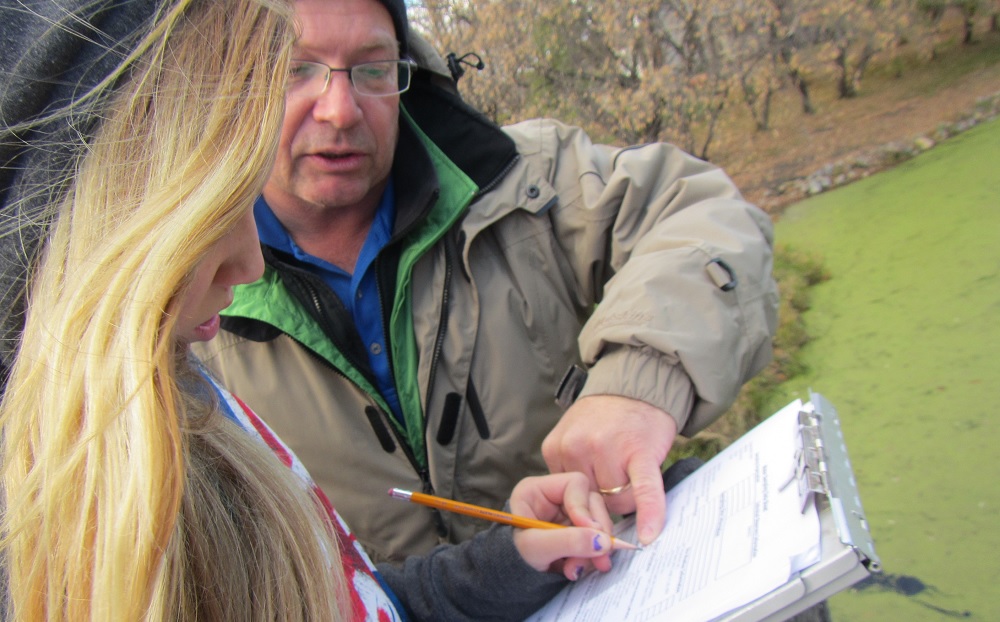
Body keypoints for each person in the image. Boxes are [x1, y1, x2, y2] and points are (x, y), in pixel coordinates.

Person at [0, 0, 626, 619]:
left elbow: (343, 602)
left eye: (373, 68)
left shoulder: (194, 400)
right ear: (84, 211)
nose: (250, 263)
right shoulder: (99, 497)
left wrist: (502, 566)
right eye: (206, 202)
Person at [192, 0, 780, 563]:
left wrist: (640, 383)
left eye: (374, 69)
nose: (340, 109)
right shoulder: (178, 298)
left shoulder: (527, 180)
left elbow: (705, 218)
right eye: (298, 70)